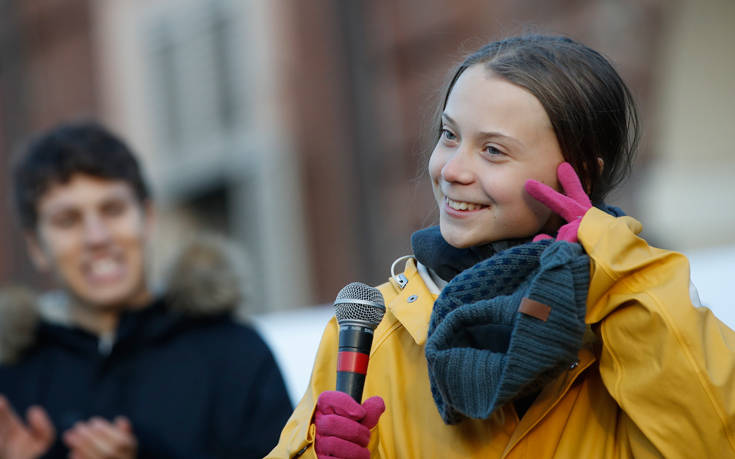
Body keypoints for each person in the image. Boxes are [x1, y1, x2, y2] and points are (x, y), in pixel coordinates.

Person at [267, 34, 735, 458]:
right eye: (449, 135)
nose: (452, 170)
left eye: (493, 150)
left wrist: (619, 269)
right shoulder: (376, 333)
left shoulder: (641, 312)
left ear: (580, 176)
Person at [0, 122, 293, 458]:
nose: (97, 237)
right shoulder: (10, 380)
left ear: (148, 217)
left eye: (113, 210)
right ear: (36, 246)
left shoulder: (236, 355)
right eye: (68, 220)